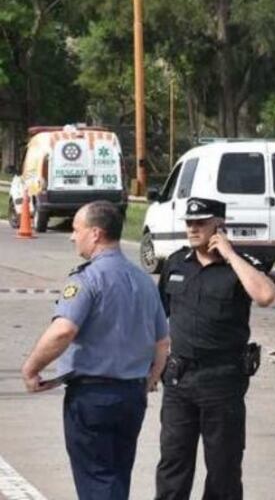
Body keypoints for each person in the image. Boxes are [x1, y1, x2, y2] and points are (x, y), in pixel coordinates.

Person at [21, 201, 170, 500]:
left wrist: (31, 368)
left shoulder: (88, 279)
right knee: (116, 476)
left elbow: (63, 330)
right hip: (131, 395)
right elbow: (162, 342)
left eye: (77, 230)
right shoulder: (143, 280)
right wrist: (150, 380)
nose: (72, 237)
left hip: (93, 397)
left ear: (96, 233)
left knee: (97, 481)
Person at [155, 197, 275, 500]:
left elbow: (265, 295)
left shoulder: (242, 264)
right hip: (179, 378)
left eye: (201, 223)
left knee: (223, 468)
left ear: (219, 225)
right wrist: (152, 367)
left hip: (222, 380)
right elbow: (157, 318)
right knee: (173, 464)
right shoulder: (176, 263)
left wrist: (230, 255)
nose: (193, 229)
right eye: (189, 223)